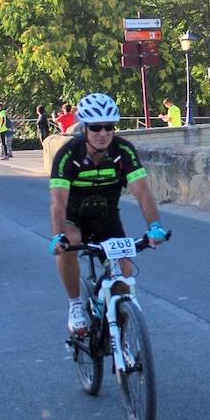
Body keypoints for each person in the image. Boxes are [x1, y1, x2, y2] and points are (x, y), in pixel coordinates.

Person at [49, 92, 167, 334]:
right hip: (74, 221)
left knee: (124, 277)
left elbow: (143, 191)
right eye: (96, 128)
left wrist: (154, 225)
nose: (103, 133)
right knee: (70, 243)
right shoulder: (68, 155)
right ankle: (75, 305)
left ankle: (119, 336)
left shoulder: (123, 150)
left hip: (107, 221)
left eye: (109, 127)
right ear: (84, 128)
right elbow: (58, 201)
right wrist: (57, 236)